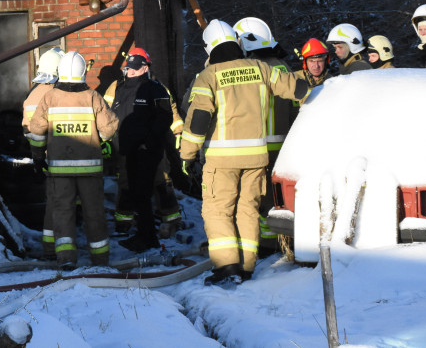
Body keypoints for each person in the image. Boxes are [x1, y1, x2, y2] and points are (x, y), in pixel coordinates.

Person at [180, 19, 309, 285]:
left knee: (218, 211)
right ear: (236, 42)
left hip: (221, 159)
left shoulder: (208, 76)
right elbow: (297, 88)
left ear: (209, 48)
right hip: (256, 158)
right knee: (248, 210)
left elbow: (199, 119)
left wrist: (187, 155)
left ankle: (227, 267)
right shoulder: (260, 68)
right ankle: (248, 266)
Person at [29, 50, 119, 270]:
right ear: (83, 72)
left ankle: (66, 258)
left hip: (59, 171)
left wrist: (38, 157)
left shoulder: (49, 98)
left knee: (62, 213)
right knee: (94, 212)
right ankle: (100, 259)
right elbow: (109, 129)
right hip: (90, 170)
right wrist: (100, 139)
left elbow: (36, 130)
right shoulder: (92, 97)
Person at [104, 47, 183, 241]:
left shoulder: (157, 88)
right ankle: (125, 222)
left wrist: (178, 134)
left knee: (161, 180)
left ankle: (171, 219)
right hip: (124, 146)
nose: (129, 72)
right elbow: (104, 113)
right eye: (128, 68)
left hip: (152, 147)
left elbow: (169, 113)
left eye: (134, 68)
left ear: (145, 68)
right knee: (126, 184)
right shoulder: (116, 87)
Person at [233, 17, 295, 252]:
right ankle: (276, 243)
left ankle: (261, 244)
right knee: (274, 199)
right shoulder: (283, 68)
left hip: (254, 147)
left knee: (254, 199)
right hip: (282, 148)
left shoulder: (249, 70)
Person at [22, 47, 64, 258]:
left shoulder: (32, 95)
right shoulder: (56, 94)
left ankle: (51, 246)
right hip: (60, 154)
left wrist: (38, 155)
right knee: (61, 204)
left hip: (43, 155)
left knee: (54, 202)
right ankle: (58, 247)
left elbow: (28, 130)